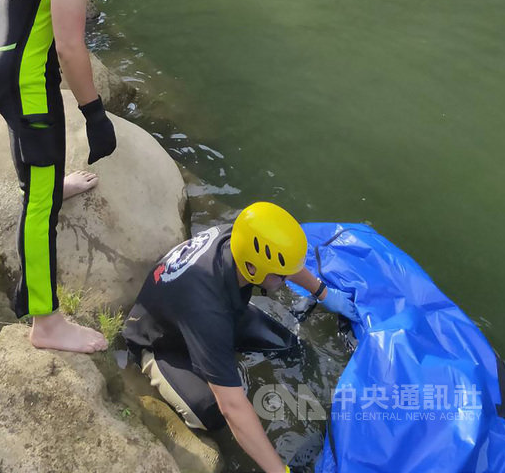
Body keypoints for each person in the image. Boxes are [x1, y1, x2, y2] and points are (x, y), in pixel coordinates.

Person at [0, 0, 141, 353]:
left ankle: (45, 178)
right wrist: (95, 114)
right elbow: (72, 46)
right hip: (27, 80)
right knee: (41, 206)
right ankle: (45, 322)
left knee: (33, 153)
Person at [123, 201, 360, 473]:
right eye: (280, 276)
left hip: (207, 309)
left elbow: (282, 264)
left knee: (285, 344)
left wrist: (324, 294)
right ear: (253, 268)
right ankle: (158, 368)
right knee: (211, 411)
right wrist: (278, 470)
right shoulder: (208, 311)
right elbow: (233, 408)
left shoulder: (239, 238)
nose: (286, 279)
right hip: (160, 341)